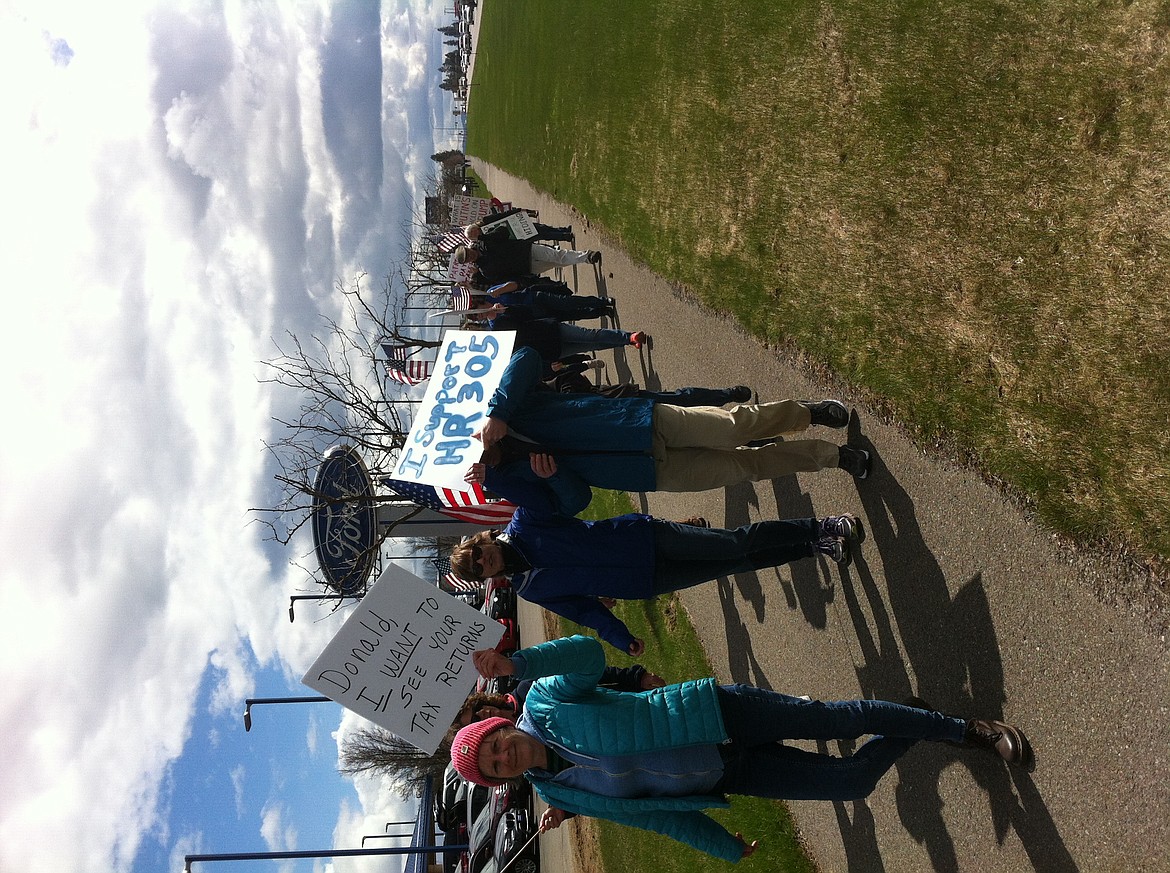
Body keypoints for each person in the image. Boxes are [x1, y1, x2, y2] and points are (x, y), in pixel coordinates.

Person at [450, 635, 1034, 863]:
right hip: (728, 773)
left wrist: (520, 663)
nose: (504, 758)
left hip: (718, 715)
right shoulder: (558, 789)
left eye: (495, 747)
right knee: (849, 782)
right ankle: (913, 721)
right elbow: (653, 815)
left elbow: (588, 658)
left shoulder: (546, 701)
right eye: (494, 769)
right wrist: (720, 845)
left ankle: (964, 730)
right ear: (501, 780)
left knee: (836, 721)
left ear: (499, 728)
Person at [464, 346, 871, 515]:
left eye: (473, 451)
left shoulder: (504, 410)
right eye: (470, 466)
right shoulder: (506, 482)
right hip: (647, 474)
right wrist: (556, 477)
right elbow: (572, 503)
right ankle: (831, 457)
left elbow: (528, 357)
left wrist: (499, 411)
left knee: (733, 428)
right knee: (745, 469)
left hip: (638, 423)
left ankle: (806, 413)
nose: (479, 460)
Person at [448, 509, 863, 653]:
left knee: (735, 544)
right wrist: (620, 637)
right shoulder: (529, 589)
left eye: (480, 553)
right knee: (736, 564)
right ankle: (813, 548)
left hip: (644, 538)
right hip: (647, 580)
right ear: (489, 576)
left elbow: (554, 494)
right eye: (481, 567)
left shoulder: (525, 523)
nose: (486, 560)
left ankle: (817, 525)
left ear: (483, 541)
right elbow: (585, 611)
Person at [454, 238, 600, 285]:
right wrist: (525, 279)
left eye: (468, 254)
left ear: (468, 248)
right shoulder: (486, 271)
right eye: (467, 259)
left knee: (557, 255)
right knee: (557, 262)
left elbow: (503, 232)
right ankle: (582, 258)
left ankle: (587, 256)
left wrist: (486, 238)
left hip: (527, 250)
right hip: (528, 267)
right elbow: (506, 278)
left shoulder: (485, 242)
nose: (470, 257)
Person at [464, 208, 575, 243]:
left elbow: (502, 216)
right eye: (472, 235)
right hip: (518, 236)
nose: (475, 233)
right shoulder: (485, 241)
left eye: (472, 231)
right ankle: (565, 236)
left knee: (542, 228)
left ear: (474, 227)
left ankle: (562, 230)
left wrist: (516, 212)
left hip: (518, 224)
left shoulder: (486, 220)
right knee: (542, 235)